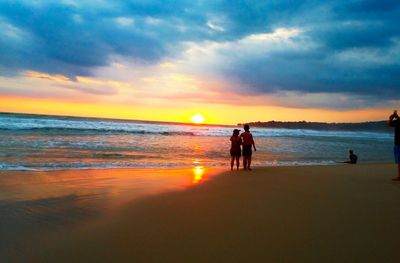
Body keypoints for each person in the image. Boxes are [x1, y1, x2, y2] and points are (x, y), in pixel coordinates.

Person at [389, 110, 400, 180]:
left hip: (398, 143)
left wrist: (392, 117)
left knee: (399, 161)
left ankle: (399, 176)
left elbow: (389, 124)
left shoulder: (398, 121)